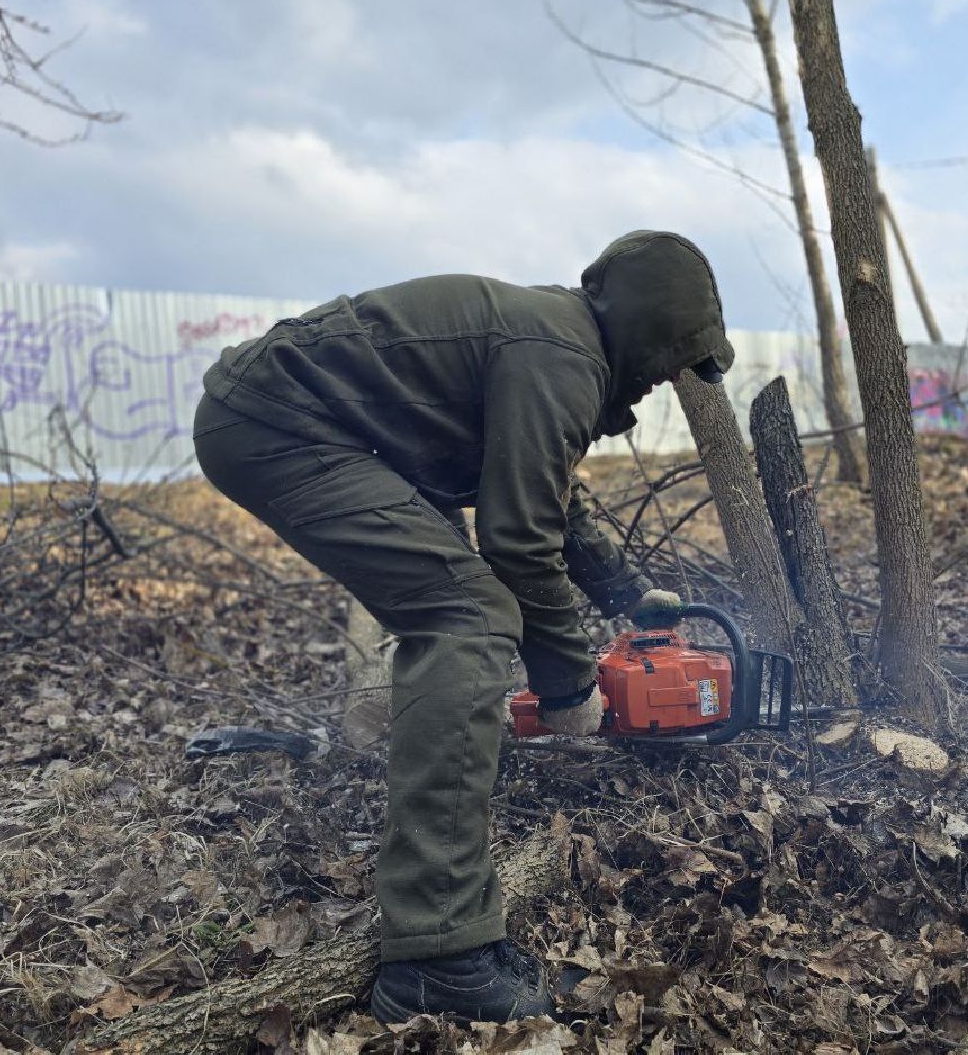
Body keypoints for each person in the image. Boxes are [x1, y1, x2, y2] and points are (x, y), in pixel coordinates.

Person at [192, 229, 734, 1023]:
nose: (665, 380)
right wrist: (569, 684)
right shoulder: (562, 354)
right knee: (470, 616)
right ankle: (438, 954)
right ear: (645, 328)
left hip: (293, 421)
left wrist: (626, 592)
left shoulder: (557, 338)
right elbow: (518, 540)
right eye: (671, 357)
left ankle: (432, 839)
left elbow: (548, 496)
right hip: (278, 426)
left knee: (463, 604)